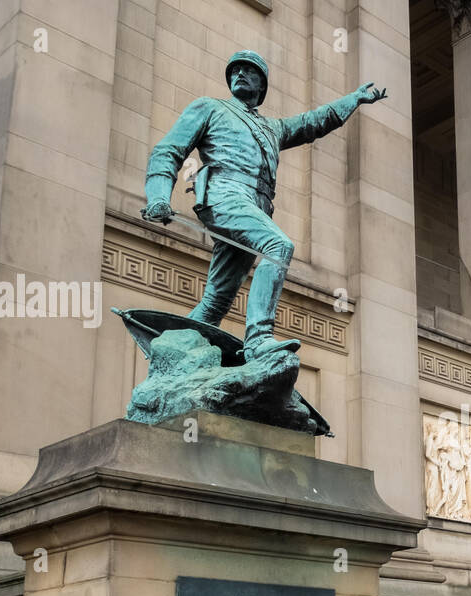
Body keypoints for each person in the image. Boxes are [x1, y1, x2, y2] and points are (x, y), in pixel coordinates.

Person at [142, 50, 386, 363]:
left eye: (249, 71)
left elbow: (315, 122)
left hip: (255, 207)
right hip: (223, 196)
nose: (240, 74)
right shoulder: (209, 107)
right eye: (235, 70)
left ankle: (171, 354)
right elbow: (168, 151)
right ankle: (258, 339)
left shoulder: (273, 128)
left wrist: (353, 99)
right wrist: (159, 195)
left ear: (262, 86)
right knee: (278, 245)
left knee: (217, 299)